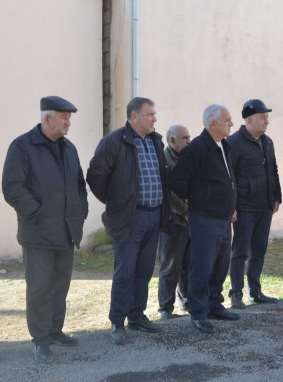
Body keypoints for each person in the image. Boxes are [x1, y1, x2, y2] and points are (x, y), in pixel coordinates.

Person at [2, 96, 89, 363]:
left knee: (60, 286)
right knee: (39, 288)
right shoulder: (23, 146)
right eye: (64, 117)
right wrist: (37, 214)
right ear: (47, 118)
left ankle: (55, 330)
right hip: (38, 233)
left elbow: (78, 184)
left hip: (66, 231)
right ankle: (40, 339)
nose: (68, 122)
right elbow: (12, 187)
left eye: (70, 117)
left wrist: (79, 211)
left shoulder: (69, 148)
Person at [86, 97, 172, 345]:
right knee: (125, 271)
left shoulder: (156, 141)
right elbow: (96, 176)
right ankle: (117, 321)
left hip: (153, 215)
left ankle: (137, 315)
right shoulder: (114, 142)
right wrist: (117, 202)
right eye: (150, 114)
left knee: (144, 270)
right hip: (129, 218)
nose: (155, 118)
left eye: (155, 114)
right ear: (134, 117)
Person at [169, 104, 240, 333]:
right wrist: (199, 199)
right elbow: (178, 183)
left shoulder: (224, 146)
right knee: (202, 266)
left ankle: (214, 305)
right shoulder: (197, 148)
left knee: (221, 265)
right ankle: (198, 312)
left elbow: (228, 180)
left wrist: (230, 206)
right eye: (227, 120)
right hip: (204, 219)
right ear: (212, 123)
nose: (231, 123)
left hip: (223, 218)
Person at [226, 99, 283, 308]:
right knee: (240, 251)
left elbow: (274, 170)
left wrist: (277, 196)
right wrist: (231, 206)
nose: (266, 121)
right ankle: (236, 294)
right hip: (244, 207)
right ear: (249, 120)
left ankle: (255, 291)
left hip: (265, 205)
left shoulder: (267, 142)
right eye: (263, 117)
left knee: (259, 250)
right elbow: (229, 177)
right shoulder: (234, 142)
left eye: (267, 117)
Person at [157, 124, 191, 320]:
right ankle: (165, 308)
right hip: (171, 222)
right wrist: (186, 211)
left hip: (189, 221)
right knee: (170, 265)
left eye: (189, 137)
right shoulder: (164, 160)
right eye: (185, 138)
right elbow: (167, 193)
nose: (189, 141)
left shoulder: (189, 158)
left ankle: (186, 302)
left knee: (187, 263)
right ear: (172, 141)